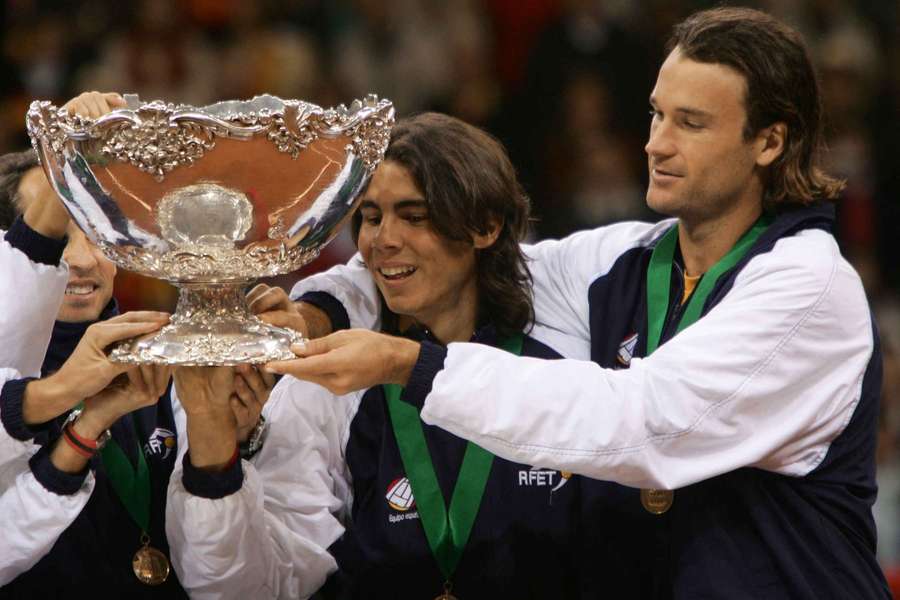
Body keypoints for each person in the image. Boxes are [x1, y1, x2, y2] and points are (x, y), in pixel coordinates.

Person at [269, 8, 890, 598]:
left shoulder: (808, 288)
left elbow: (645, 425)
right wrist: (315, 312)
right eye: (656, 115)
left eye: (691, 123)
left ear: (770, 142)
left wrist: (411, 365)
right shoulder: (624, 262)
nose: (656, 145)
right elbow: (446, 266)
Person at [165, 112, 600, 599]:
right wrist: (214, 453)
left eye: (414, 217)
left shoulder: (561, 359)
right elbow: (259, 585)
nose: (382, 240)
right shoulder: (332, 385)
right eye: (371, 218)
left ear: (485, 226)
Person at [0, 92, 272, 597]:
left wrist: (236, 437)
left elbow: (237, 579)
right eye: (60, 237)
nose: (82, 260)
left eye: (95, 233)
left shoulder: (172, 354)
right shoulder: (14, 374)